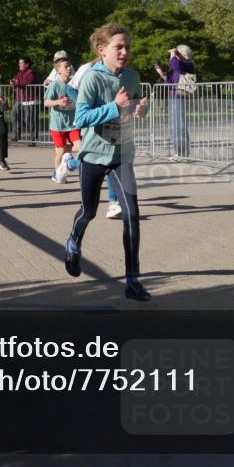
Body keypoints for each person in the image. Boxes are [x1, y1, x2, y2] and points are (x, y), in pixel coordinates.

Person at [64, 23, 151, 301]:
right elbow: (81, 118)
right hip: (93, 156)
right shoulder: (92, 78)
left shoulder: (133, 77)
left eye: (127, 47)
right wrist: (113, 106)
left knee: (132, 215)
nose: (125, 52)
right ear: (102, 51)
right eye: (119, 47)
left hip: (121, 155)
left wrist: (140, 109)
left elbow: (133, 107)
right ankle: (73, 243)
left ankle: (133, 280)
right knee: (88, 212)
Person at [70, 57, 123, 219]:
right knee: (92, 155)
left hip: (113, 125)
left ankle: (113, 203)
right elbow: (70, 89)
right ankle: (69, 163)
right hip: (94, 121)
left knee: (109, 159)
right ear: (102, 50)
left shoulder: (123, 72)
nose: (122, 53)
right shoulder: (87, 69)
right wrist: (87, 103)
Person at [45, 51, 81, 183]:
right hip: (58, 124)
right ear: (58, 70)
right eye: (66, 66)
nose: (69, 68)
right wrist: (58, 102)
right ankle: (57, 174)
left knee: (79, 147)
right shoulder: (55, 84)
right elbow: (46, 102)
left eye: (70, 66)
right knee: (59, 153)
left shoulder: (74, 84)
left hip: (72, 123)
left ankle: (66, 160)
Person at [154, 45, 196, 160]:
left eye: (178, 53)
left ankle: (183, 154)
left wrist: (173, 53)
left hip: (180, 98)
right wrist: (161, 74)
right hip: (174, 98)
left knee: (179, 125)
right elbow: (170, 82)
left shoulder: (188, 64)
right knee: (175, 126)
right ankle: (180, 152)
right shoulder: (180, 67)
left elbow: (174, 64)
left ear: (182, 54)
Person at [11, 57, 39, 145]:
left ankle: (33, 140)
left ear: (26, 64)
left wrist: (16, 82)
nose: (19, 65)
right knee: (14, 115)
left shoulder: (31, 73)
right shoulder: (19, 73)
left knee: (30, 120)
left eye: (21, 63)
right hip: (20, 99)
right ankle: (16, 135)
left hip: (30, 100)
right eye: (19, 63)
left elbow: (26, 82)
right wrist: (12, 82)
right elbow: (15, 80)